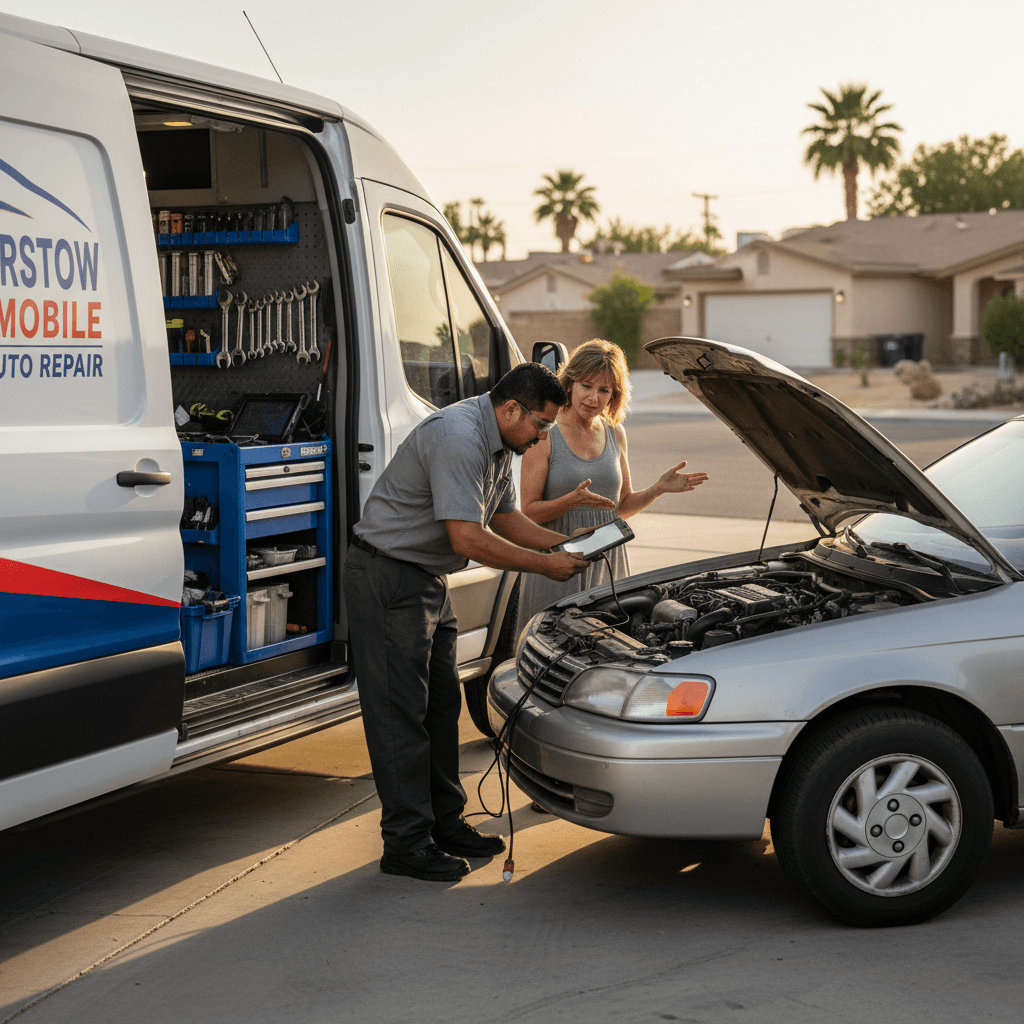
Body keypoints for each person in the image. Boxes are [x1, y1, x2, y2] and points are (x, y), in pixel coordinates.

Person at [342, 363, 590, 883]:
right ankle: (406, 844)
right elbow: (468, 539)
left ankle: (444, 824)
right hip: (388, 576)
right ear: (510, 409)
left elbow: (503, 519)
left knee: (439, 710)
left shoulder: (501, 442)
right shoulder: (459, 437)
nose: (543, 437)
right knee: (399, 717)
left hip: (426, 579)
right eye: (541, 427)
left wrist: (565, 546)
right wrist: (546, 566)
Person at [516, 339, 709, 637]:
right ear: (570, 384)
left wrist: (658, 488)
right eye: (586, 385)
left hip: (607, 562)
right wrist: (570, 501)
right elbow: (528, 514)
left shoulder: (615, 433)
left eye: (603, 390)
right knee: (552, 651)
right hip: (558, 560)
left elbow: (621, 506)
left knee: (607, 653)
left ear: (614, 395)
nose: (593, 397)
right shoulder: (546, 433)